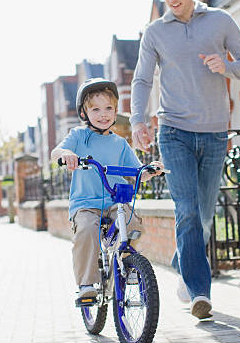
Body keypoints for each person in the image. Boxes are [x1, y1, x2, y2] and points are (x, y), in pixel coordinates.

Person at [130, 0, 240, 320]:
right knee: (186, 209)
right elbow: (141, 80)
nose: (171, 0)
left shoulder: (220, 21)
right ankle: (201, 293)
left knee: (202, 216)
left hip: (215, 130)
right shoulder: (155, 32)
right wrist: (138, 119)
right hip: (173, 130)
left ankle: (183, 262)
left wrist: (226, 66)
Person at [51, 78, 164, 301]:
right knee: (85, 229)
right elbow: (56, 151)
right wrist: (66, 155)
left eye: (109, 108)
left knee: (132, 222)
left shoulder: (120, 143)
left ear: (115, 111)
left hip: (114, 202)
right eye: (96, 109)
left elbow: (137, 171)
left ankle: (125, 262)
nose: (103, 114)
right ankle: (86, 284)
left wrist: (151, 170)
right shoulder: (78, 136)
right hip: (86, 204)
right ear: (84, 113)